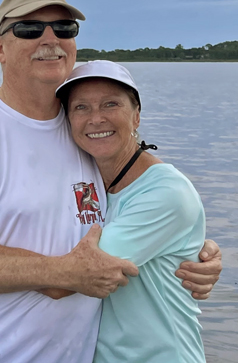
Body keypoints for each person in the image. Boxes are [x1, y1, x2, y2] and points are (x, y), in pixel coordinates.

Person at [0, 0, 222, 363]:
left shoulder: (80, 133)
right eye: (29, 29)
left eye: (64, 28)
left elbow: (137, 199)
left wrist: (191, 246)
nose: (50, 39)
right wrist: (62, 271)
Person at [55, 60, 205, 362]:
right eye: (81, 107)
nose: (96, 119)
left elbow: (71, 278)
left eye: (110, 104)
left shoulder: (166, 192)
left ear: (136, 116)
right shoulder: (89, 183)